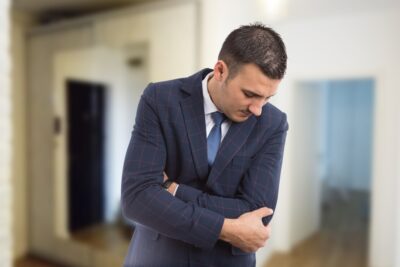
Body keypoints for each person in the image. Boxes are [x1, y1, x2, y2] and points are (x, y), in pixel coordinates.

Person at [121, 23, 288, 267]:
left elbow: (257, 211)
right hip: (158, 256)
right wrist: (226, 228)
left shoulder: (273, 123)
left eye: (267, 98)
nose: (258, 109)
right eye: (250, 94)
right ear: (220, 71)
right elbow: (137, 197)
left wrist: (173, 189)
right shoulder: (159, 99)